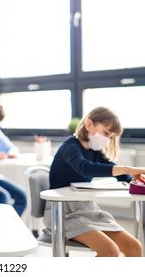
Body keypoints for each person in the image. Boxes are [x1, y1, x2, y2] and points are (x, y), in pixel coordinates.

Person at [44, 106, 144, 257]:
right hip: (63, 212)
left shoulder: (94, 151)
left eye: (111, 137)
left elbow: (116, 171)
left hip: (87, 209)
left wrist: (135, 181)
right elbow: (85, 168)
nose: (107, 139)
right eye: (106, 133)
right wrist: (129, 169)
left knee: (134, 247)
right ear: (89, 125)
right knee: (110, 250)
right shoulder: (70, 147)